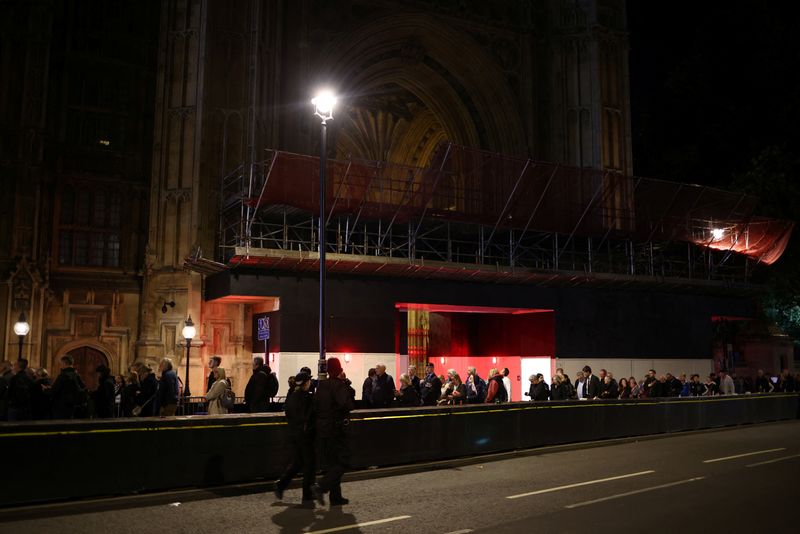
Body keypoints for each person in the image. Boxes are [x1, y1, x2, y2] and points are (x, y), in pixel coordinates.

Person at [311, 357, 354, 506]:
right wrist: (346, 384)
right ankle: (321, 486)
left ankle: (335, 497)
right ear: (339, 369)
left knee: (332, 463)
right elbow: (347, 405)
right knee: (343, 461)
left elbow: (315, 406)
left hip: (322, 430)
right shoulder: (339, 385)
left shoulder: (321, 385)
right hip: (335, 429)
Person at [275, 372, 316, 504]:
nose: (310, 383)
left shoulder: (292, 397)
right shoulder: (306, 398)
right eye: (308, 381)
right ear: (305, 383)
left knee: (298, 463)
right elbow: (309, 417)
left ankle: (281, 484)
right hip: (304, 435)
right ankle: (307, 495)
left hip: (295, 434)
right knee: (309, 463)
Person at [51, 355, 87, 419]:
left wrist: (46, 389)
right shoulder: (77, 375)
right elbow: (83, 387)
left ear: (64, 363)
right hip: (73, 405)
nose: (60, 365)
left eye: (61, 364)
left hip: (62, 405)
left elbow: (54, 390)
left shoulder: (63, 375)